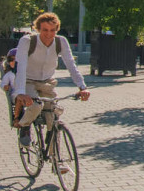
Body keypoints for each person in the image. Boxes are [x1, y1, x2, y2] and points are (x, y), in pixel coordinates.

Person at [12, 12, 90, 153]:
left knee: (53, 115)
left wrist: (82, 87)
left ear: (57, 30)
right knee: (35, 106)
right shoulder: (27, 41)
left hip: (48, 82)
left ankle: (56, 159)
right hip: (28, 81)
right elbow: (21, 67)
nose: (49, 34)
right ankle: (24, 127)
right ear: (38, 29)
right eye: (45, 30)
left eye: (53, 30)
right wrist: (21, 93)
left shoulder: (61, 42)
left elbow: (71, 65)